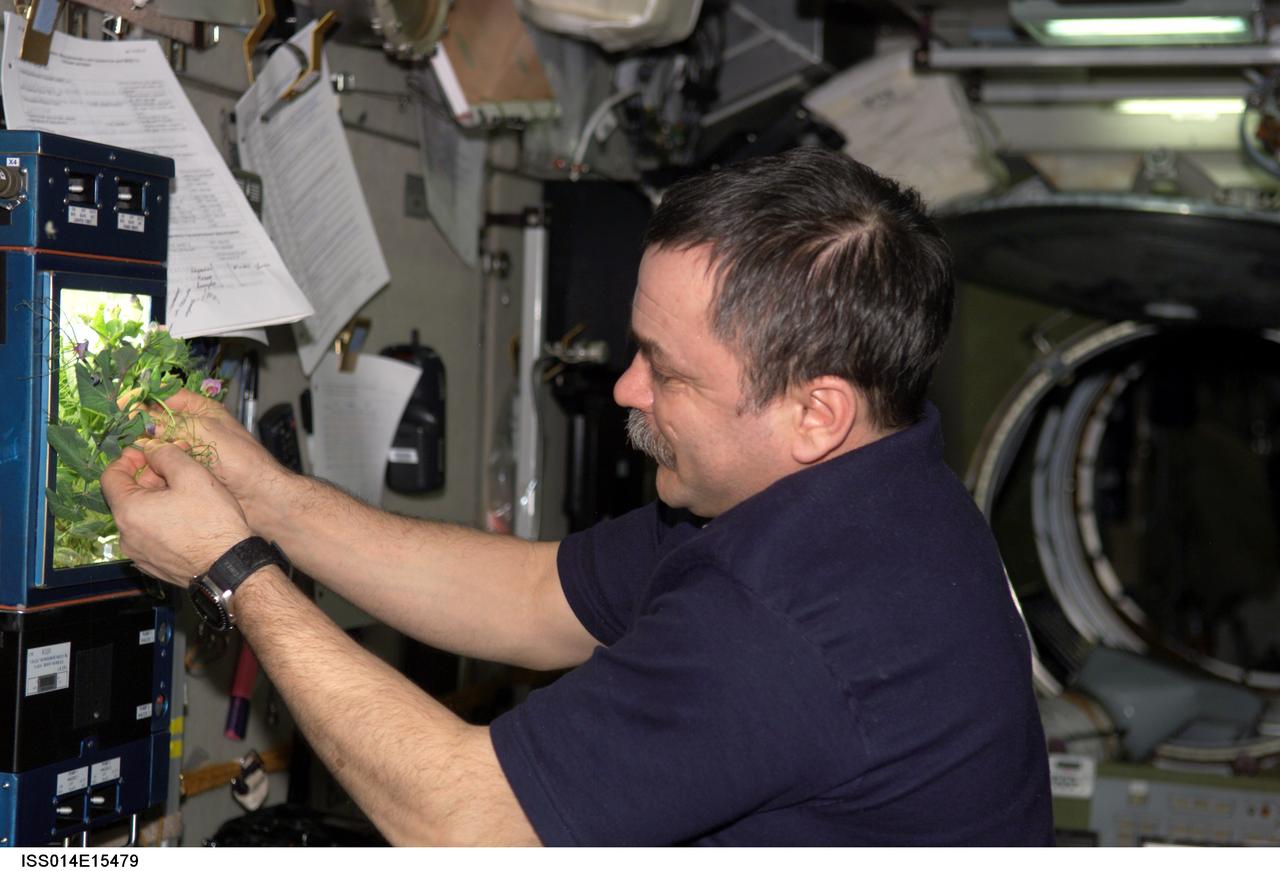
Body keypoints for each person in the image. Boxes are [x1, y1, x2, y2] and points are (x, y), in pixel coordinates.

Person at [102, 146, 1053, 846]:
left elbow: (464, 827)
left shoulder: (793, 613)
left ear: (817, 413)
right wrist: (268, 498)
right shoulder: (862, 490)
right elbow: (530, 597)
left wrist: (231, 569)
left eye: (666, 370)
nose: (628, 390)